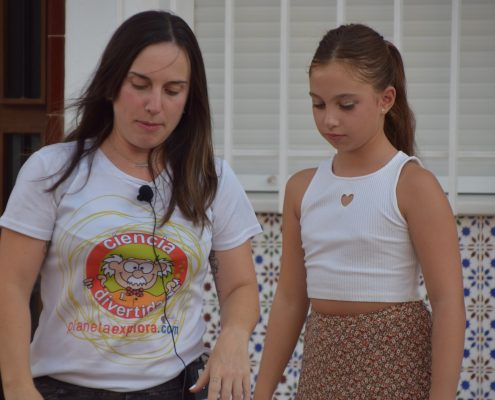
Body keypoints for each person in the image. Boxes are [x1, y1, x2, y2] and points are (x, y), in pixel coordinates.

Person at [0, 10, 262, 400]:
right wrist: (18, 386)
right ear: (111, 84)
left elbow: (240, 285)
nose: (154, 104)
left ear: (190, 98)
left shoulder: (212, 179)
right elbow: (11, 284)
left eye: (173, 91)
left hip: (178, 388)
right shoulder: (51, 170)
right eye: (140, 85)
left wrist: (235, 336)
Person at [253, 23, 465, 399]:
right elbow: (289, 299)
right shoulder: (302, 189)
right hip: (322, 368)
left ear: (386, 100)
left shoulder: (413, 185)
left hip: (398, 368)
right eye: (318, 104)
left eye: (346, 105)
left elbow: (448, 303)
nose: (329, 119)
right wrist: (262, 392)